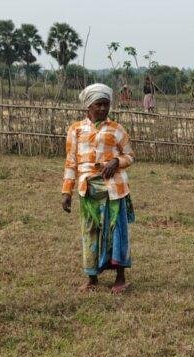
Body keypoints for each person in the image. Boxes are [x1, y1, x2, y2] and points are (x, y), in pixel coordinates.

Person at [62, 83, 135, 293]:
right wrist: (67, 191)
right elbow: (71, 162)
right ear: (88, 106)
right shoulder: (75, 130)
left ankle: (120, 279)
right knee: (90, 232)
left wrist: (116, 162)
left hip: (115, 189)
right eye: (98, 105)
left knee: (117, 231)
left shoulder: (117, 129)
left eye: (106, 104)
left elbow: (130, 156)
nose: (103, 109)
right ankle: (92, 278)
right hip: (88, 189)